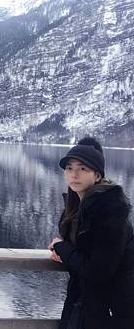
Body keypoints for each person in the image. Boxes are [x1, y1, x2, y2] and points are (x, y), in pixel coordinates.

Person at [49, 137, 134, 328]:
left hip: (114, 311)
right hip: (88, 304)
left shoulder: (111, 213)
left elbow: (98, 271)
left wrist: (61, 248)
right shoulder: (77, 209)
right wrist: (65, 250)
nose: (74, 174)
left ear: (97, 176)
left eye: (82, 168)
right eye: (69, 168)